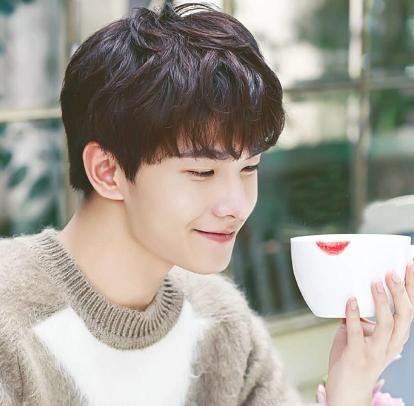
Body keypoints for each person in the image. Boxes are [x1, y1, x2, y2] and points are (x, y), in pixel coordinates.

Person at [0, 3, 413, 405]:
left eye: (249, 167)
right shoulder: (9, 323)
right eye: (202, 172)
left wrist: (350, 389)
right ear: (108, 171)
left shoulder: (223, 323)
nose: (237, 205)